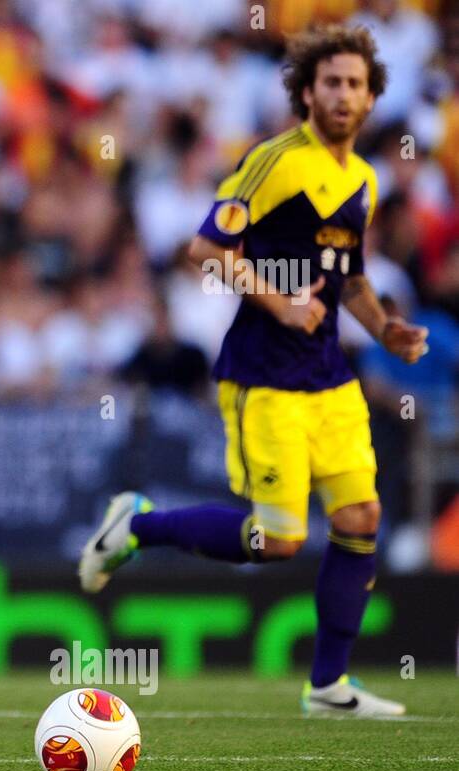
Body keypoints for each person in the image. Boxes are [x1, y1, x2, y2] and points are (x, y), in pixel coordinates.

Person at [78, 26, 428, 718]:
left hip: (329, 372)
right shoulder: (275, 161)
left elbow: (347, 275)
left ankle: (327, 685)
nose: (343, 94)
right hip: (263, 372)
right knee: (280, 539)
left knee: (361, 515)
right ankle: (138, 525)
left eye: (355, 83)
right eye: (331, 81)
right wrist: (276, 299)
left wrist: (384, 327)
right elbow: (205, 246)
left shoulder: (362, 178)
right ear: (306, 90)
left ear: (371, 95)